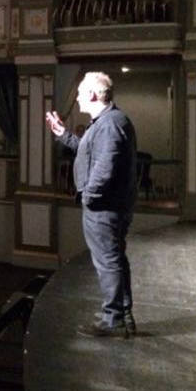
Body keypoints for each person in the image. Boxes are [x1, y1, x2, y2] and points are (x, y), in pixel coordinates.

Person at [45, 72, 137, 338]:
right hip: (110, 206)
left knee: (108, 262)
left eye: (80, 93)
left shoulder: (108, 124)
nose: (77, 99)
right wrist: (63, 135)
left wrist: (88, 196)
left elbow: (105, 168)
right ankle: (122, 314)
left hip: (104, 208)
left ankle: (114, 320)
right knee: (115, 259)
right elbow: (90, 152)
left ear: (94, 95)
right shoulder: (108, 122)